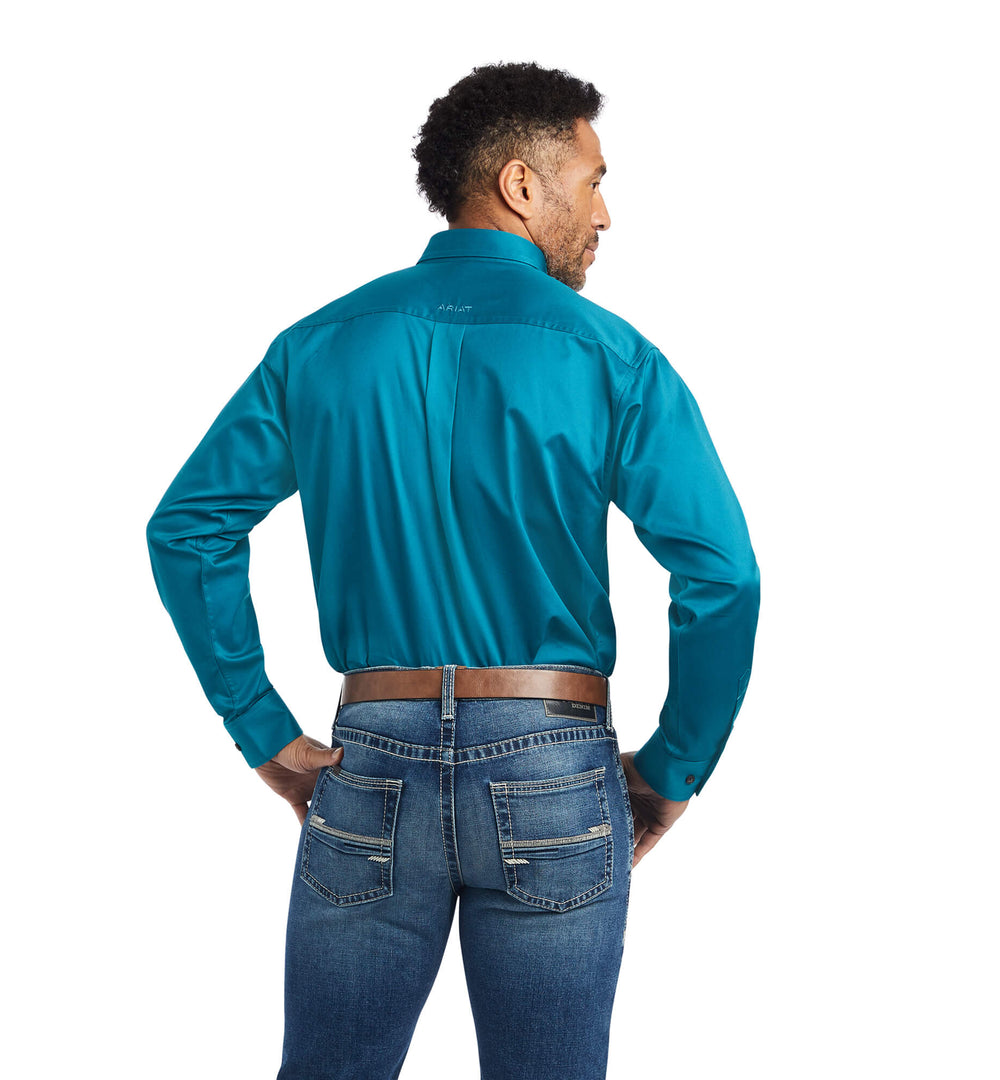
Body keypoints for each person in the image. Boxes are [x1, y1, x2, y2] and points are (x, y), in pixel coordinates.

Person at [146, 61, 759, 1080]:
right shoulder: (611, 356)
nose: (604, 215)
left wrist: (262, 729)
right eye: (593, 182)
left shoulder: (320, 346)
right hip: (554, 764)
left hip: (367, 760)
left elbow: (190, 528)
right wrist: (671, 769)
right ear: (521, 184)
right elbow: (722, 577)